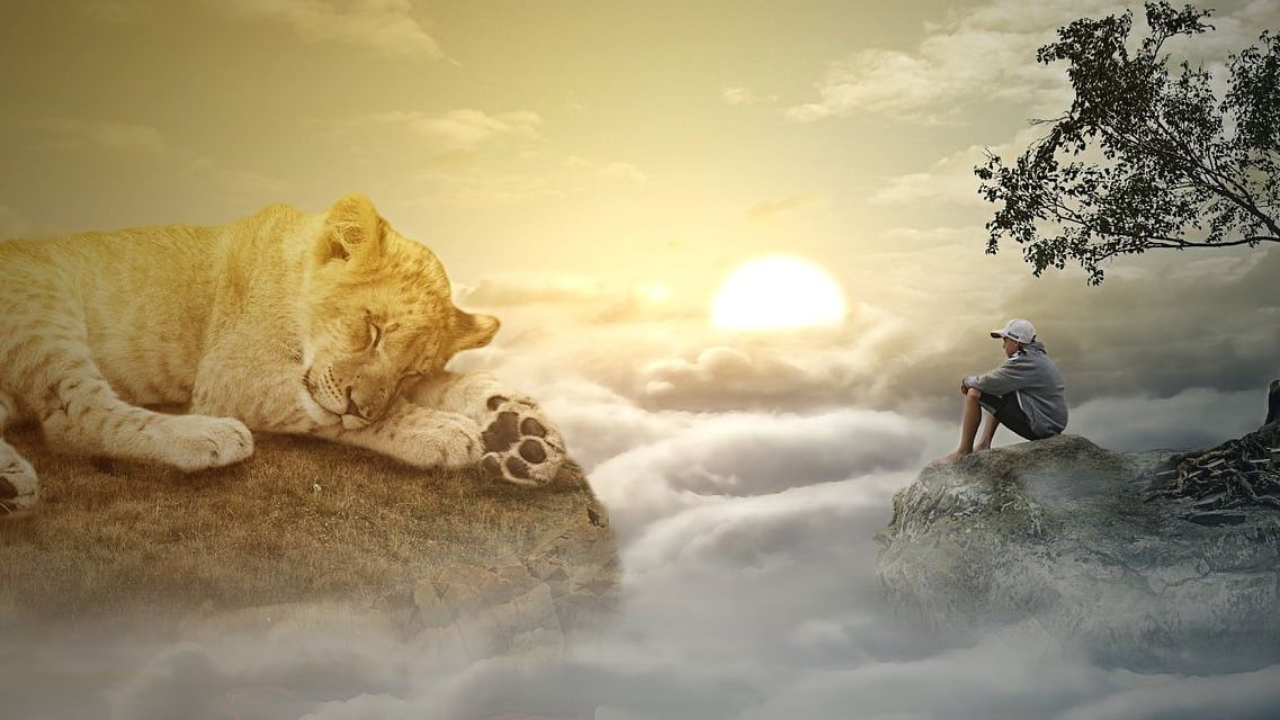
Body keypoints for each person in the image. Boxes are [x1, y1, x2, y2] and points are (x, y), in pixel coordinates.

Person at [932, 318, 1068, 466]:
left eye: (1005, 340)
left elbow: (987, 382)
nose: (1003, 346)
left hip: (1041, 427)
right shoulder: (1038, 358)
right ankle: (984, 444)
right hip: (1050, 423)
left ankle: (964, 450)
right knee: (1001, 388)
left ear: (1016, 342)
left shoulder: (1025, 361)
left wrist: (966, 381)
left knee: (974, 393)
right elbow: (998, 381)